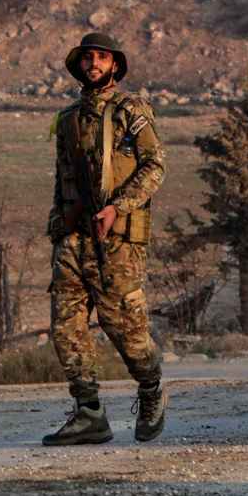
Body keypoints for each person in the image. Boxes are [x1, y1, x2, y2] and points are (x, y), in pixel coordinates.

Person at [43, 33, 168, 446]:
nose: (93, 63)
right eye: (87, 57)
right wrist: (58, 224)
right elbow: (62, 180)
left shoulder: (131, 111)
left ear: (114, 65)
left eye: (101, 57)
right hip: (74, 238)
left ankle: (151, 390)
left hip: (117, 238)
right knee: (66, 327)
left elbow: (154, 166)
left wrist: (120, 206)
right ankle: (88, 412)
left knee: (126, 328)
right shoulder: (68, 119)